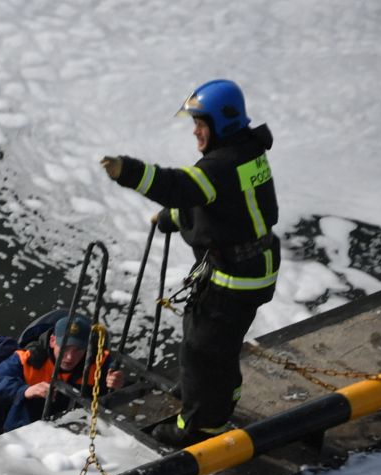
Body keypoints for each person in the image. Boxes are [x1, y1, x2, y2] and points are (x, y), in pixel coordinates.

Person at [100, 78, 279, 446]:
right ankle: (215, 396)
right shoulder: (247, 151)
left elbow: (181, 187)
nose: (195, 131)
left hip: (235, 276)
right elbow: (231, 208)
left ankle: (200, 426)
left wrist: (128, 171)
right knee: (217, 344)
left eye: (201, 122)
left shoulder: (219, 167)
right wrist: (178, 218)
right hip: (252, 264)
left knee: (203, 348)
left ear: (222, 123)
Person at [0, 312, 125, 440]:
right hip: (24, 435)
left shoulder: (99, 363)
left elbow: (117, 393)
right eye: (65, 348)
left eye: (78, 350)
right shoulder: (28, 359)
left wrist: (117, 384)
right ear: (52, 341)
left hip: (76, 435)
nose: (69, 357)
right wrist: (25, 391)